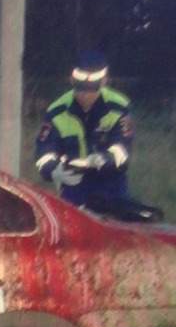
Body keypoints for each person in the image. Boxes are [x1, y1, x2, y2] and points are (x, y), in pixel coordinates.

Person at [35, 51, 134, 210]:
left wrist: (103, 160)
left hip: (112, 187)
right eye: (81, 89)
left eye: (92, 90)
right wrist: (54, 170)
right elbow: (44, 151)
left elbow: (123, 148)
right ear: (72, 81)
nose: (86, 96)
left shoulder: (118, 107)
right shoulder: (57, 111)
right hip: (73, 186)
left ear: (104, 82)